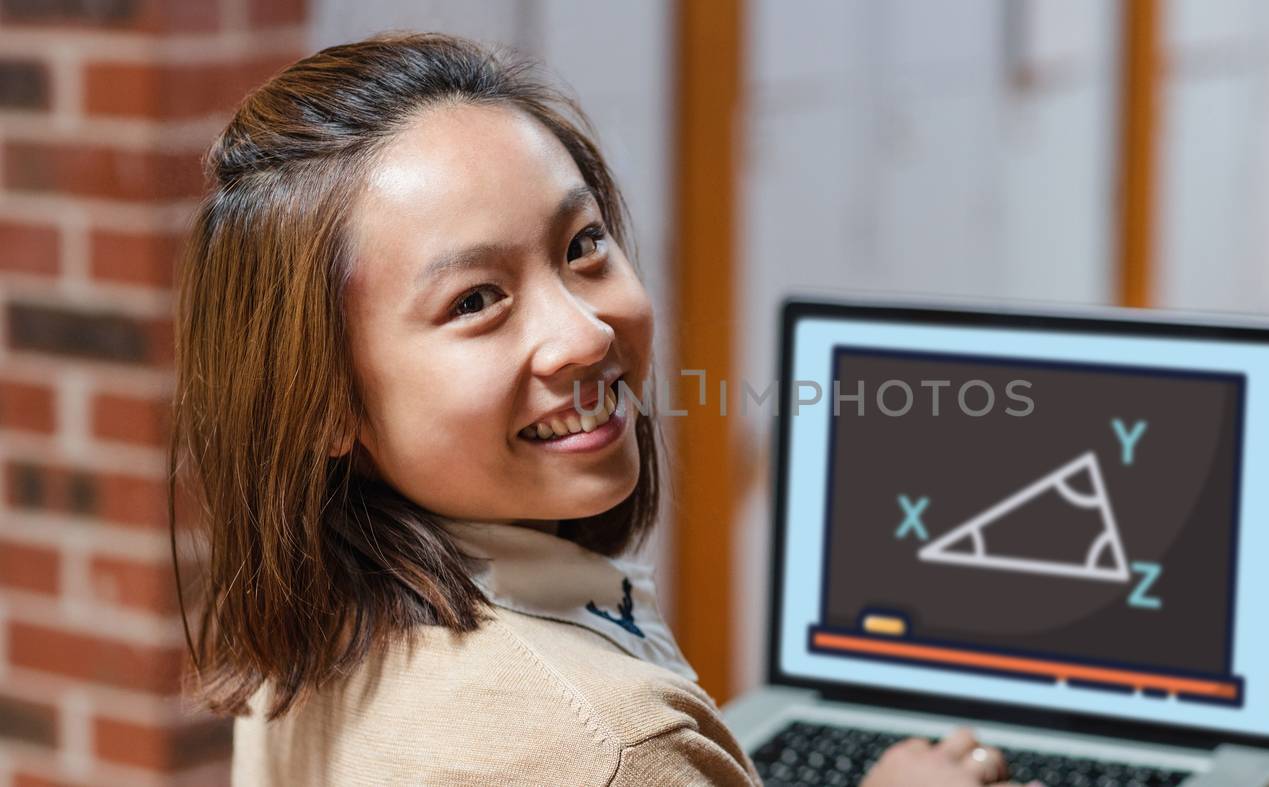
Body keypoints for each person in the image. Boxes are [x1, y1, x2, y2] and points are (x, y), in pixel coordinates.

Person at [170, 32, 1034, 786]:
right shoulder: (610, 747)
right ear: (321, 400)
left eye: (583, 245)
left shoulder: (302, 640)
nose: (585, 333)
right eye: (476, 300)